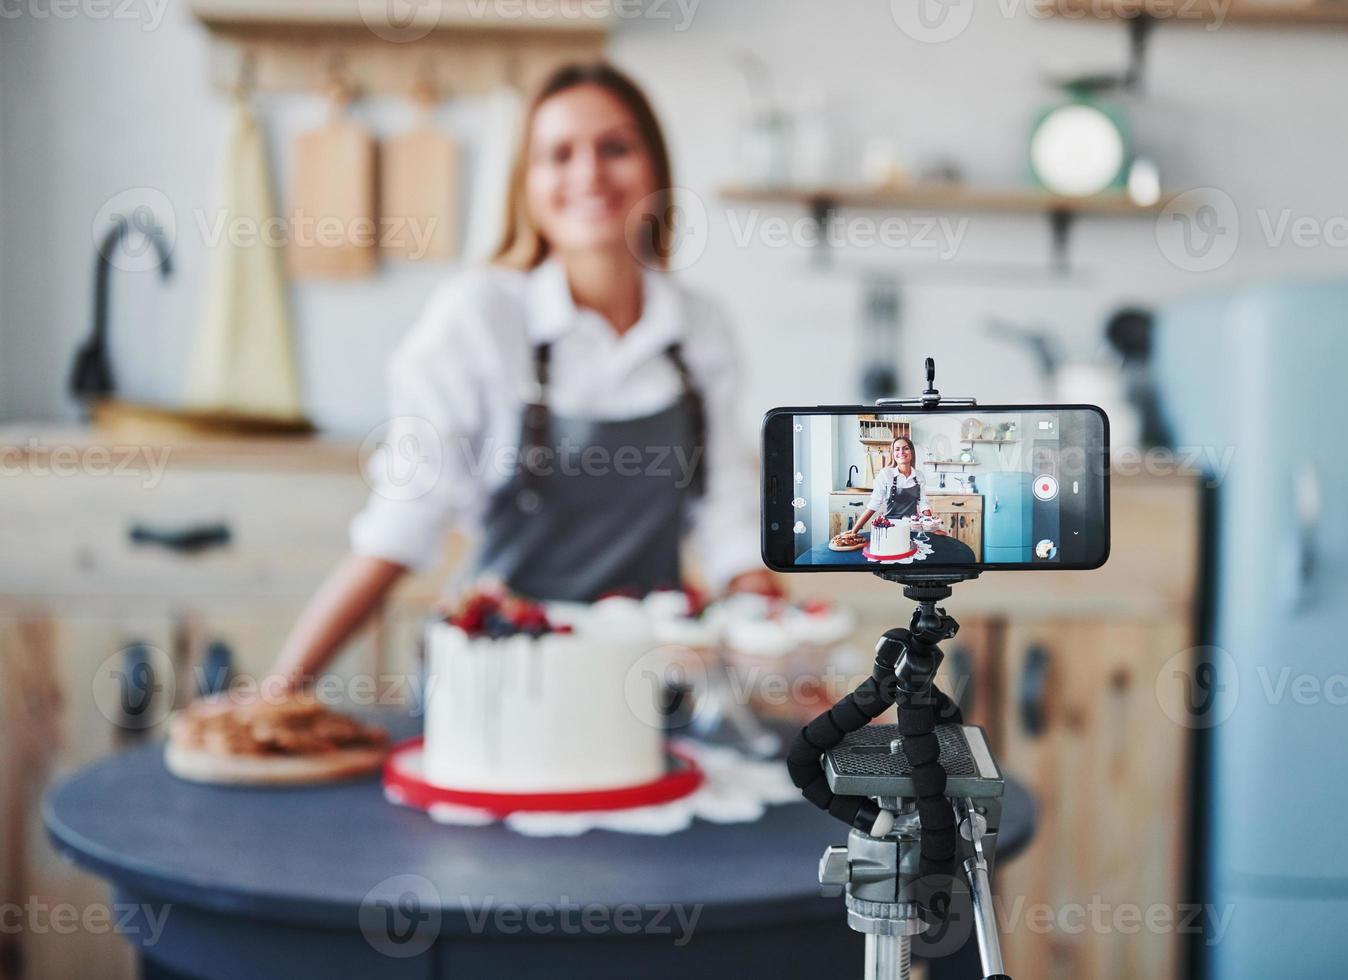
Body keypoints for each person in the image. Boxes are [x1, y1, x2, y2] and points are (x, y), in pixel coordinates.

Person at [268, 62, 780, 693]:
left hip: (649, 691)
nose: (588, 173)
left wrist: (783, 640)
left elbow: (729, 520)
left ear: (656, 171)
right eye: (558, 154)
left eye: (615, 147)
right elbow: (402, 527)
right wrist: (277, 693)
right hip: (498, 684)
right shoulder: (480, 316)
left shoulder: (701, 327)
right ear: (526, 184)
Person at [848, 436, 938, 534]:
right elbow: (873, 505)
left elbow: (923, 503)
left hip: (912, 528)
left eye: (906, 448)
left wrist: (932, 527)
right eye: (897, 449)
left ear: (911, 452)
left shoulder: (919, 476)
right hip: (890, 528)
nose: (901, 452)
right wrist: (854, 531)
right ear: (893, 454)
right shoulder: (886, 474)